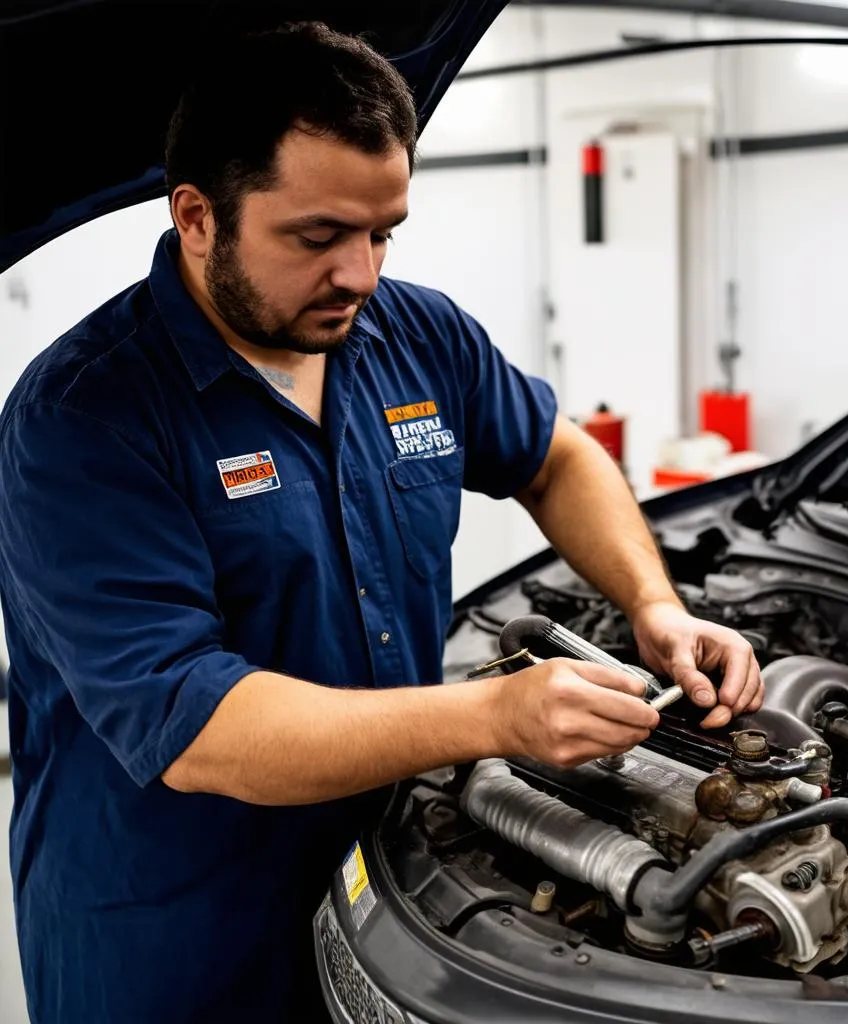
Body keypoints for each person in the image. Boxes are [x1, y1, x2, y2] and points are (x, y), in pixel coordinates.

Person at [0, 21, 763, 1024]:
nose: (359, 273)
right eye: (317, 238)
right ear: (196, 218)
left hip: (393, 886)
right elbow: (197, 726)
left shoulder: (417, 333)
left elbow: (555, 455)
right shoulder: (84, 419)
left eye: (382, 231)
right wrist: (495, 715)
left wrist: (652, 604)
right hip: (182, 940)